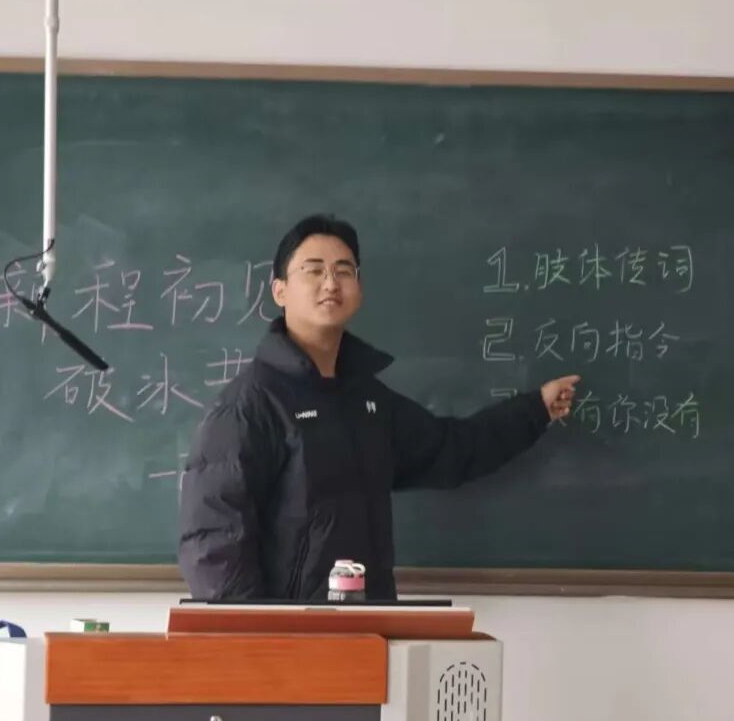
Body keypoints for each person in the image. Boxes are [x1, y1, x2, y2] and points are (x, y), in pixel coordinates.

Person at [178, 213, 579, 600]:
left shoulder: (367, 402)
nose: (330, 282)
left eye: (344, 271)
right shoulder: (249, 406)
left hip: (367, 625)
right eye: (313, 270)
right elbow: (213, 543)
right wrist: (264, 636)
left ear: (359, 289)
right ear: (279, 290)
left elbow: (453, 450)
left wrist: (535, 410)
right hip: (294, 636)